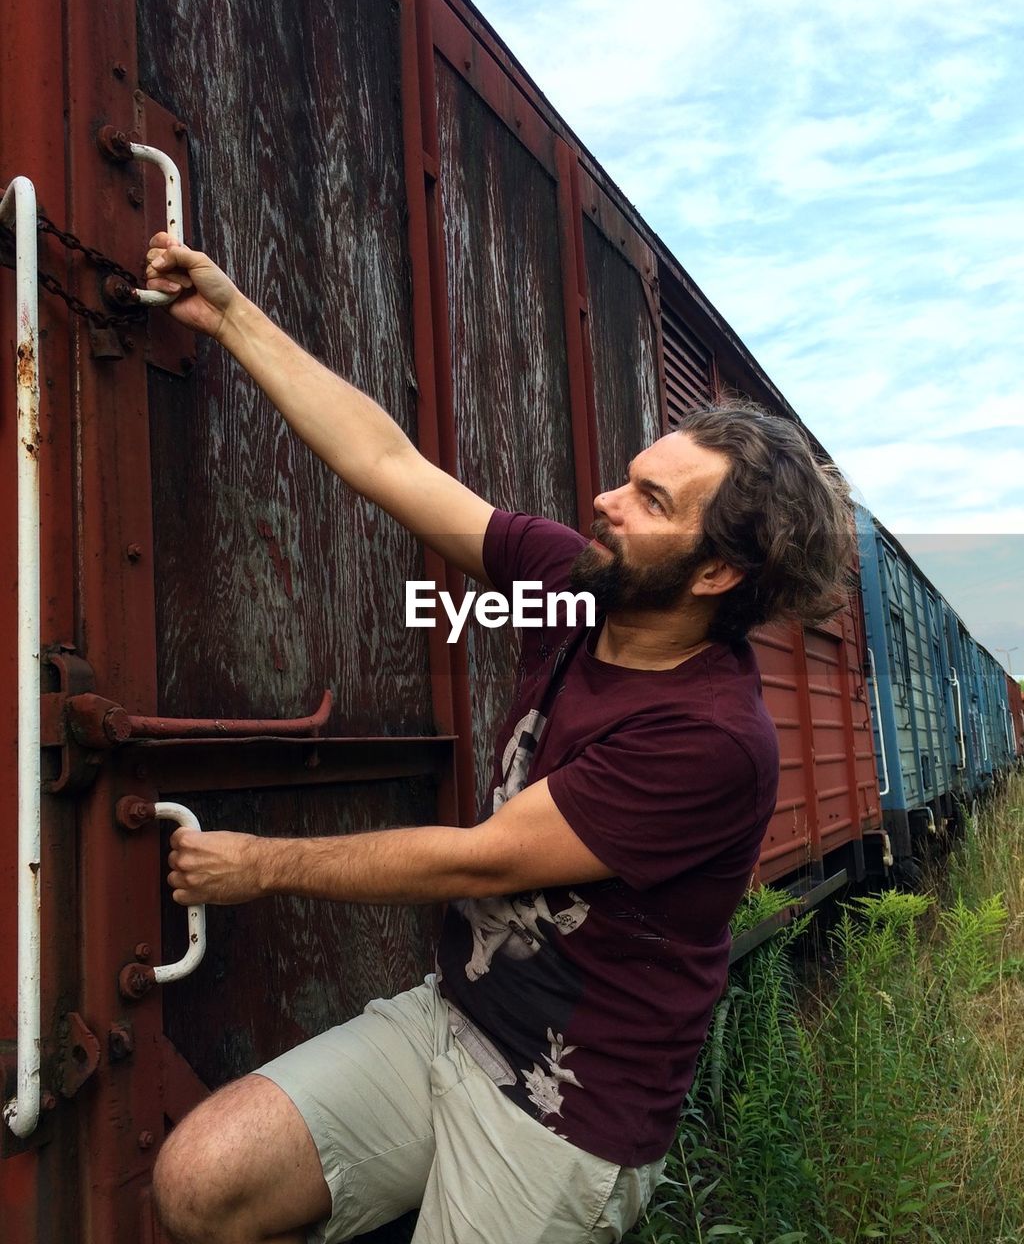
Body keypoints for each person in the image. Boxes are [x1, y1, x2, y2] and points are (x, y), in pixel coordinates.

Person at [143, 232, 856, 1244]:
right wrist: (229, 315)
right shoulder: (575, 586)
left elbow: (484, 860)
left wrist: (259, 863)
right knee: (203, 1179)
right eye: (629, 477)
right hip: (459, 1019)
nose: (605, 501)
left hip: (566, 1111)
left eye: (651, 502)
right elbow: (387, 463)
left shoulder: (708, 738)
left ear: (715, 574)